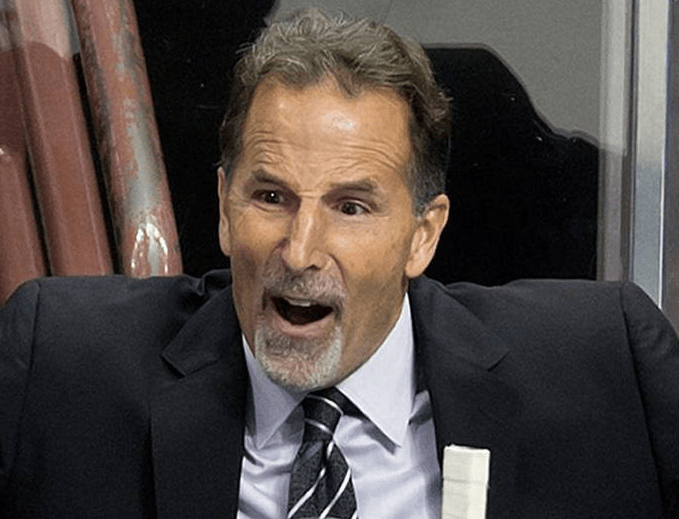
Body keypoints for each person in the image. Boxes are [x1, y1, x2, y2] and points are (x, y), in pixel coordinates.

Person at [1, 8, 678, 519]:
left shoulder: (608, 368)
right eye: (270, 197)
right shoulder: (59, 365)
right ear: (224, 208)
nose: (299, 251)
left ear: (422, 235)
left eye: (351, 207)